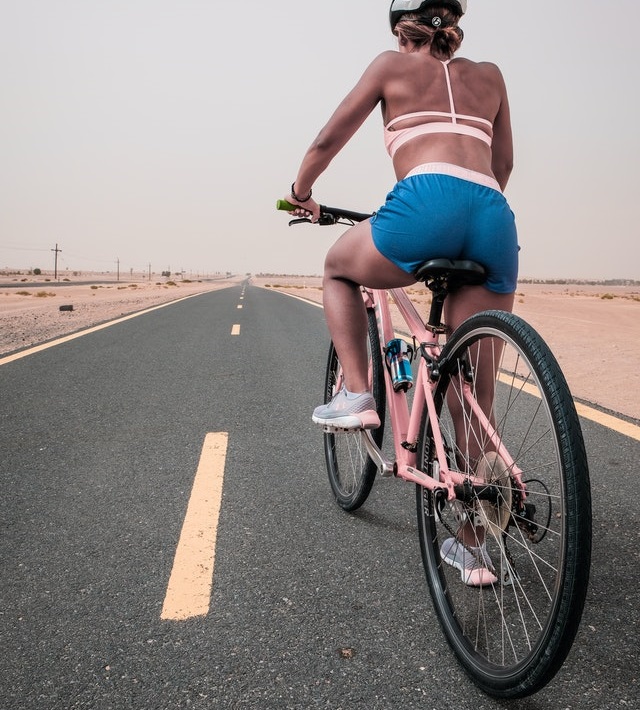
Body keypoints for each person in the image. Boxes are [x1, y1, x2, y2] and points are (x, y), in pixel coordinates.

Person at [284, 0, 518, 586]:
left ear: (400, 24)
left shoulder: (390, 64)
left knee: (339, 265)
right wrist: (470, 211)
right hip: (492, 215)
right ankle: (476, 549)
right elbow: (503, 162)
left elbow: (326, 138)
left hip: (424, 203)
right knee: (475, 398)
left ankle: (359, 393)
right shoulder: (490, 76)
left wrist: (301, 191)